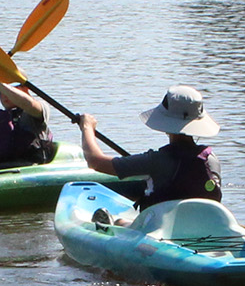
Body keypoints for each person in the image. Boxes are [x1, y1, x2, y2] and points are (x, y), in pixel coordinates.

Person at [77, 86, 222, 208]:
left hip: (163, 230)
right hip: (204, 227)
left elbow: (95, 161)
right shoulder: (211, 160)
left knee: (121, 222)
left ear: (166, 123)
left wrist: (87, 127)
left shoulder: (154, 161)